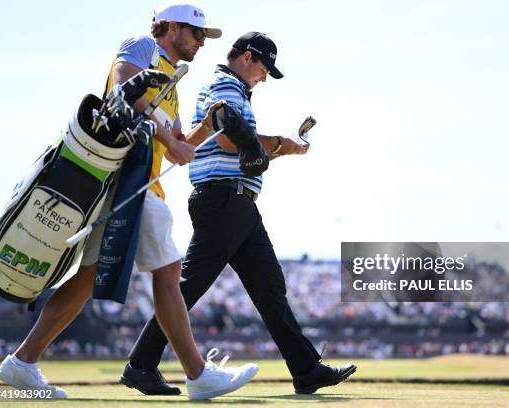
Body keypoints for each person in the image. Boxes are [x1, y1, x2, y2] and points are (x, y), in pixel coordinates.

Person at [0, 4, 258, 400]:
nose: (202, 44)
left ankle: (21, 361)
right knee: (168, 271)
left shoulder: (172, 80)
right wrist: (169, 140)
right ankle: (199, 375)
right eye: (196, 34)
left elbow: (178, 148)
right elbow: (120, 94)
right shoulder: (141, 47)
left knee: (87, 279)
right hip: (125, 180)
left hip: (136, 183)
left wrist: (214, 124)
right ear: (171, 28)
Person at [122, 31, 357, 396]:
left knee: (270, 288)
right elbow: (229, 138)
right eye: (264, 68)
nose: (264, 77)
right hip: (223, 201)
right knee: (188, 288)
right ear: (247, 57)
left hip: (236, 203)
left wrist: (278, 148)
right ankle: (140, 365)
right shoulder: (225, 85)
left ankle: (307, 370)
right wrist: (283, 143)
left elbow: (244, 150)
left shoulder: (234, 89)